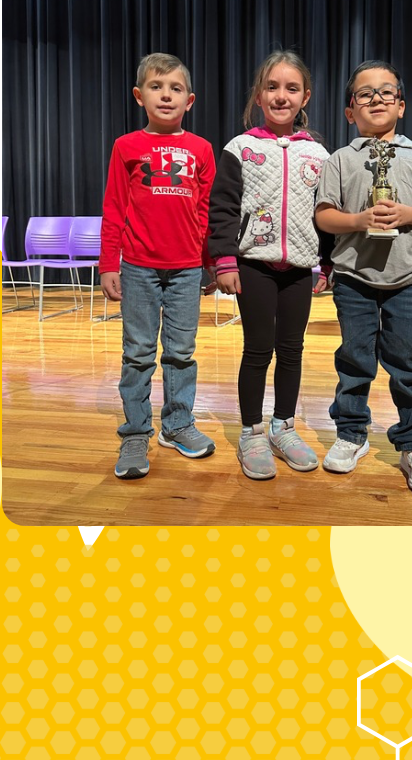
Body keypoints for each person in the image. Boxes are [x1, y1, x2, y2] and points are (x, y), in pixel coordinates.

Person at [314, 60, 412, 495]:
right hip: (355, 277)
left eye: (386, 92)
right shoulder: (340, 159)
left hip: (409, 277)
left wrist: (409, 214)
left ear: (402, 105)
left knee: (407, 363)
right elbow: (325, 216)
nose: (376, 99)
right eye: (364, 94)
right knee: (354, 359)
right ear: (349, 111)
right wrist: (358, 219)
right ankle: (351, 432)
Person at [209, 50, 332, 481]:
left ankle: (283, 427)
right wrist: (224, 260)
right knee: (258, 350)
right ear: (259, 96)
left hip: (299, 266)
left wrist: (327, 262)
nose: (282, 96)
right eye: (272, 87)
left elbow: (326, 211)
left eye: (291, 88)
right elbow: (222, 208)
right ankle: (252, 432)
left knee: (292, 350)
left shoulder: (318, 153)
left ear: (305, 97)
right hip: (254, 266)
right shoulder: (239, 149)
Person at [100, 53, 217, 480]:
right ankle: (136, 430)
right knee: (138, 354)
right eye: (156, 86)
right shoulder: (126, 147)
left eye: (175, 88)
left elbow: (205, 211)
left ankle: (177, 424)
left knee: (182, 353)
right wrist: (108, 262)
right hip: (138, 268)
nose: (165, 94)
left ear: (190, 99)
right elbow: (113, 208)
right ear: (139, 95)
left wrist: (208, 264)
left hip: (186, 269)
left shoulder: (201, 149)